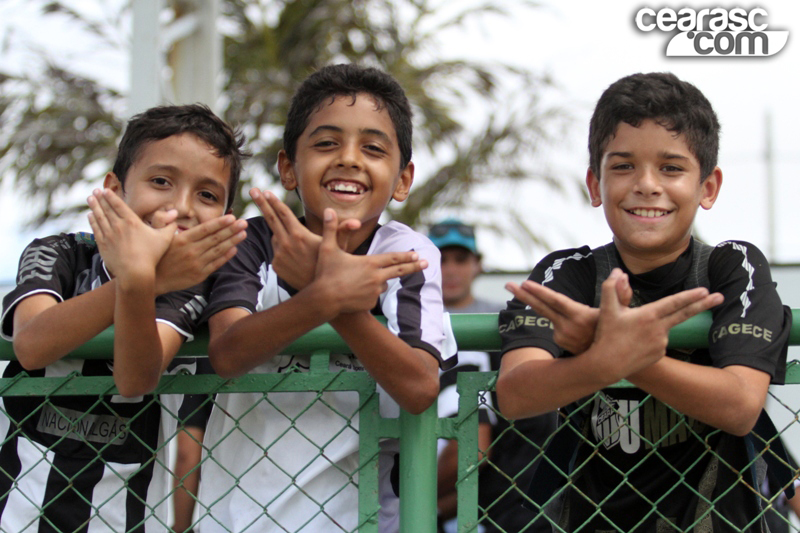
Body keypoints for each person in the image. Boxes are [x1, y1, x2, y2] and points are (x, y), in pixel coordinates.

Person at [496, 72, 793, 532]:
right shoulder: (567, 273)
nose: (647, 185)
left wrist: (616, 354)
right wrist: (605, 360)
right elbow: (515, 394)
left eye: (671, 168)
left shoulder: (734, 267)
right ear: (595, 185)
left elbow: (739, 406)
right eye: (623, 166)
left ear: (708, 187)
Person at [197, 64, 455, 533]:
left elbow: (419, 386)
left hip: (365, 523)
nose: (350, 159)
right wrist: (321, 298)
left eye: (374, 149)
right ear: (289, 168)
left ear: (402, 179)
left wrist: (334, 299)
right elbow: (227, 352)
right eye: (326, 143)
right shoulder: (254, 241)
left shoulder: (406, 254)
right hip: (235, 521)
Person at [0, 103, 248, 532]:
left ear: (225, 217)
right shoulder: (59, 252)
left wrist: (142, 281)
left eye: (207, 195)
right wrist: (139, 279)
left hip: (122, 523)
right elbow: (31, 343)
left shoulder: (195, 286)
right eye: (160, 181)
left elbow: (135, 378)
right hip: (13, 514)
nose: (181, 207)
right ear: (115, 190)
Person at [429, 219, 556, 533]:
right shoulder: (403, 321)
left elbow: (476, 447)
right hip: (460, 484)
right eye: (440, 260)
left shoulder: (504, 321)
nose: (451, 270)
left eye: (461, 259)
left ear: (477, 265)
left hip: (500, 485)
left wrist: (408, 498)